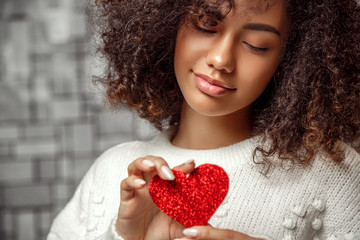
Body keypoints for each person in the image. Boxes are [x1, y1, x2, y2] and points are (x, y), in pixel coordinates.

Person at [47, 0, 360, 239]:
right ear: (167, 23)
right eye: (207, 24)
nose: (221, 59)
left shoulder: (334, 174)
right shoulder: (109, 172)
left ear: (292, 60)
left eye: (256, 45)